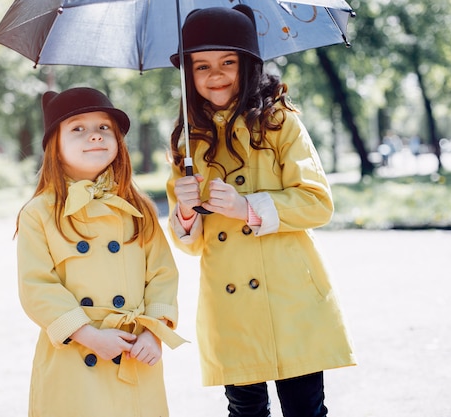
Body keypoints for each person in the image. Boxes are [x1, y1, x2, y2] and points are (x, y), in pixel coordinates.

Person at [166, 6, 356, 417]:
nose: (215, 75)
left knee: (305, 407)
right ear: (187, 74)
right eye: (201, 65)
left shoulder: (280, 121)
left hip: (289, 295)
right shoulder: (188, 143)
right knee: (244, 410)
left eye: (227, 62)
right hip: (229, 302)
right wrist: (185, 211)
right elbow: (191, 245)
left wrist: (246, 207)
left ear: (249, 65)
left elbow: (317, 202)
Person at [15, 87, 186, 417]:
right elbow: (37, 287)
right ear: (55, 146)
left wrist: (154, 332)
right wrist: (90, 336)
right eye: (77, 128)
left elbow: (163, 274)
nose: (93, 136)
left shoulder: (138, 208)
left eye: (103, 127)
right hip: (74, 356)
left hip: (134, 351)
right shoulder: (38, 213)